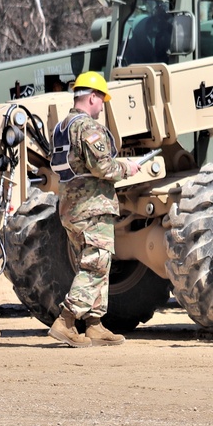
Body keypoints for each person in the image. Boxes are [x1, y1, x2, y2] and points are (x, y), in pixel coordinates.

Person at [48, 71, 141, 347]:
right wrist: (127, 168)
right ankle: (65, 321)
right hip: (91, 207)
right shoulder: (87, 127)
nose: (102, 106)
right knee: (96, 265)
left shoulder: (62, 126)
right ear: (92, 97)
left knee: (90, 264)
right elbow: (103, 166)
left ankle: (94, 325)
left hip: (71, 207)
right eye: (102, 100)